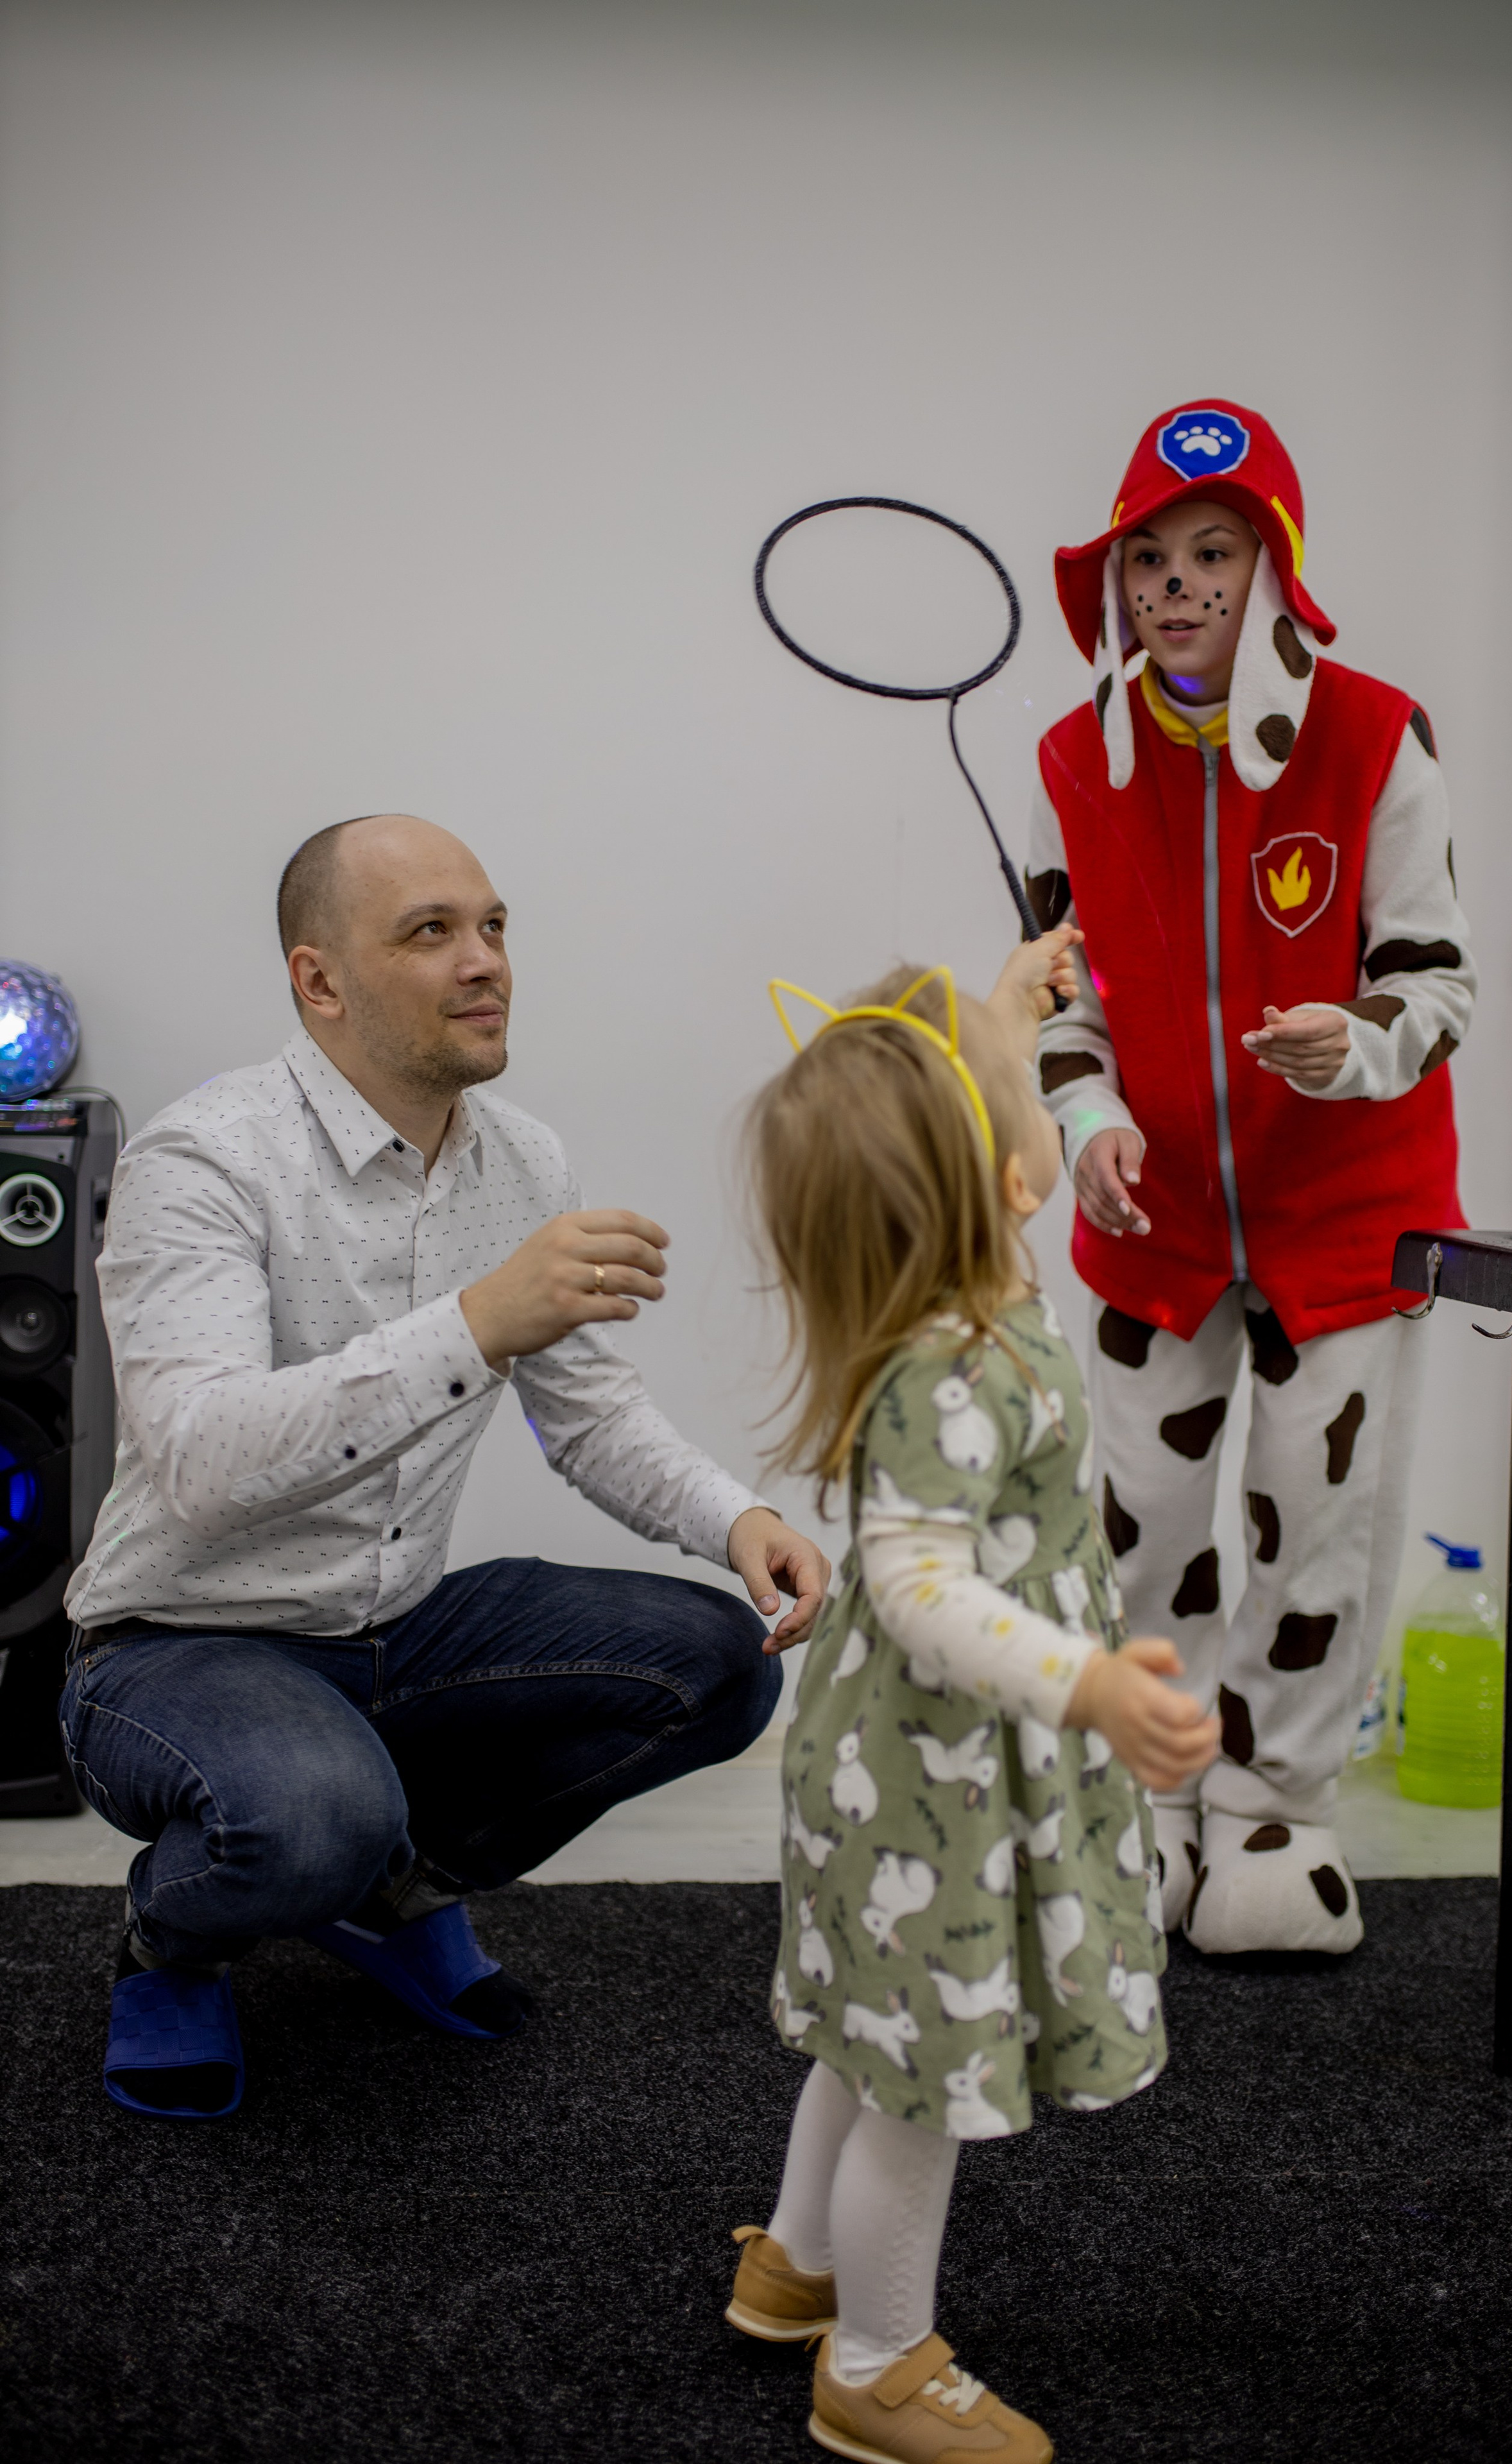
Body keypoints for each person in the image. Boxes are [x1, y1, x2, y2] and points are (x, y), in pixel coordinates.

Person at [61, 812, 829, 2119]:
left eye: (492, 926)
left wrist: (736, 1518)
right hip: (173, 1648)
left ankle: (390, 1891)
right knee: (311, 1814)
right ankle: (171, 1942)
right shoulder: (204, 1159)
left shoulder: (522, 1160)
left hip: (396, 1631)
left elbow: (588, 1417)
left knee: (718, 1665)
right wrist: (474, 1325)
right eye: (430, 932)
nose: (484, 961)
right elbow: (200, 1460)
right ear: (320, 981)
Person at [722, 937, 1219, 2464]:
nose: (1048, 1102)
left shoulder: (975, 1286)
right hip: (932, 1774)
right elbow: (923, 1592)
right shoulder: (952, 1362)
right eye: (1030, 1093)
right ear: (1006, 1178)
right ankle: (876, 2364)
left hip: (925, 1764)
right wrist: (1083, 1680)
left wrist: (1008, 1007)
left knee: (869, 2039)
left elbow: (947, 1087)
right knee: (923, 2077)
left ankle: (795, 2267)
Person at [1026, 398, 1476, 1955]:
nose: (1175, 584)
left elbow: (1434, 980)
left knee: (1314, 1518)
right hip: (1151, 1226)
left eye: (1211, 553)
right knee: (1142, 1521)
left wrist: (1351, 1044)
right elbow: (1061, 997)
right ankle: (1151, 1794)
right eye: (1146, 557)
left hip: (1344, 1217)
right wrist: (1088, 1120)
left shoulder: (1374, 735)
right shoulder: (1071, 760)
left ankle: (1278, 1807)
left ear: (1269, 568)